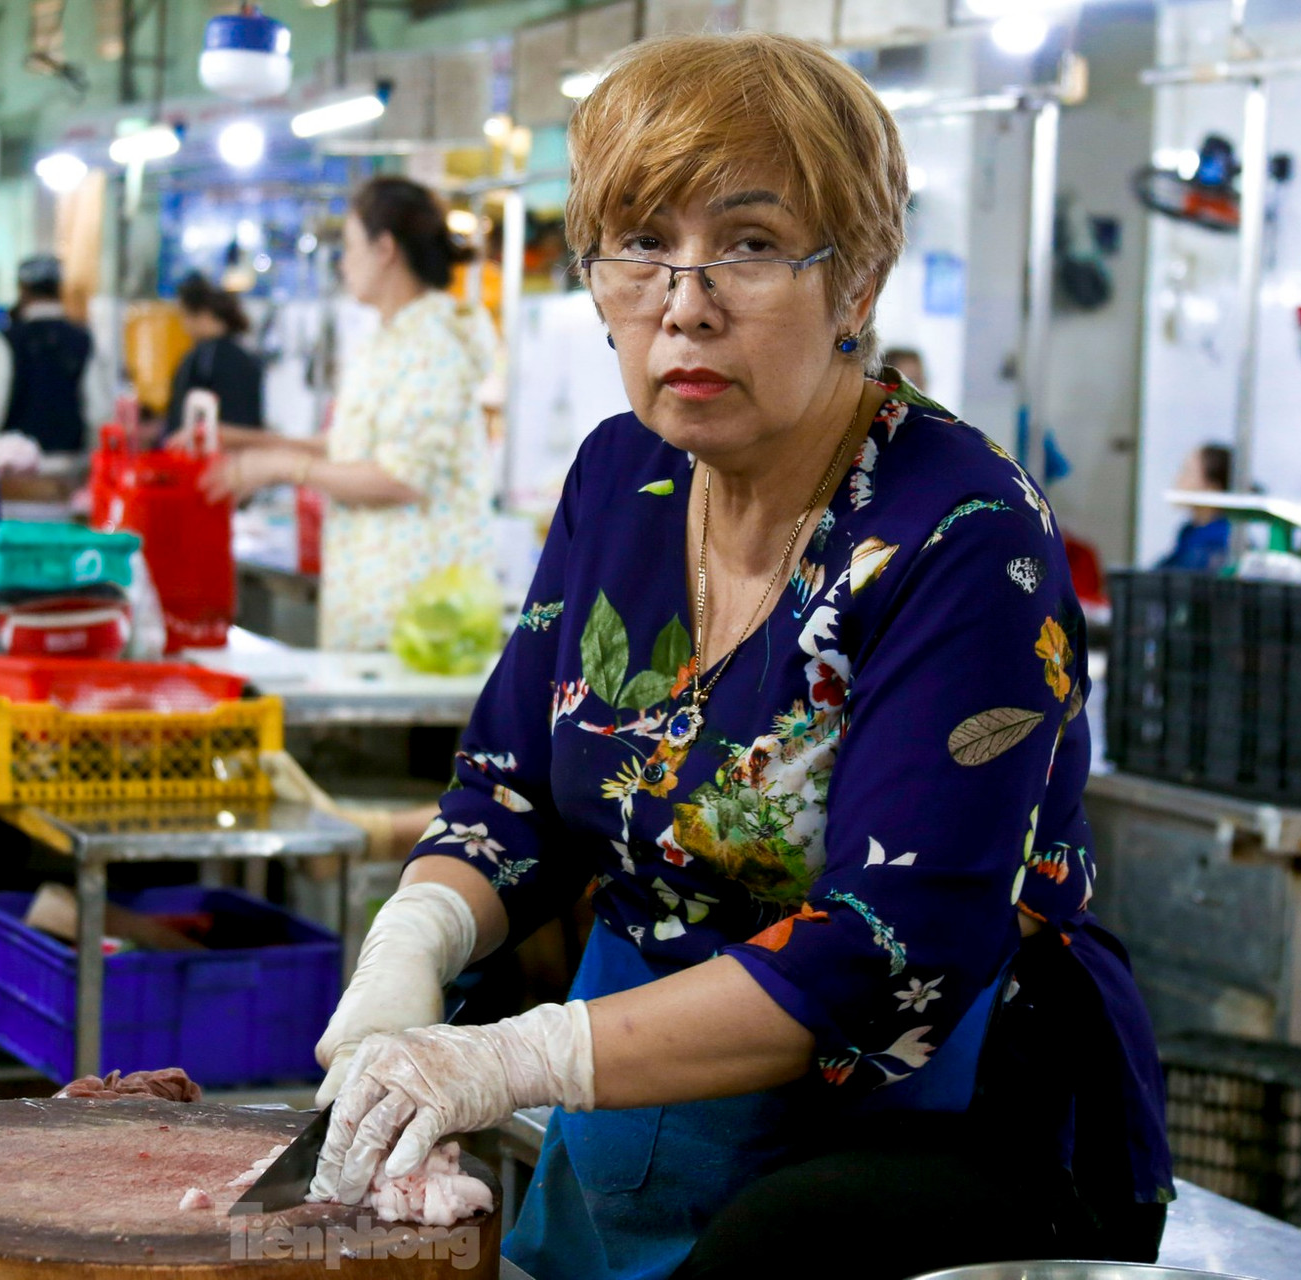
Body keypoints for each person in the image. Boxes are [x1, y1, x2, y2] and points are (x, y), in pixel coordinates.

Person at [305, 32, 1172, 1280]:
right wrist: (411, 953)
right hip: (630, 1113)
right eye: (642, 244)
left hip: (900, 1145)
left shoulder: (963, 534)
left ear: (859, 276)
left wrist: (511, 1056)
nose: (684, 300)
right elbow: (510, 793)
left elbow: (888, 942)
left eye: (751, 244)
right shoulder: (624, 476)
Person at [204, 176, 496, 652]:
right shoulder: (387, 338)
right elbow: (351, 448)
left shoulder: (431, 343)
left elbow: (401, 476)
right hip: (376, 601)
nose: (343, 263)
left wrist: (281, 467)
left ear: (385, 249)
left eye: (351, 246)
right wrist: (243, 441)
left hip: (420, 617)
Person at [0, 254, 106, 455]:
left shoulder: (7, 341)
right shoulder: (82, 341)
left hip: (14, 473)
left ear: (22, 289)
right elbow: (99, 413)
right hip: (69, 469)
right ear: (59, 288)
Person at [165, 272, 265, 441]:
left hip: (215, 454)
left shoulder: (209, 358)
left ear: (204, 315)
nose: (183, 326)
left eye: (184, 316)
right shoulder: (243, 356)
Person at [1157, 442, 1235, 572]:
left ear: (1212, 488)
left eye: (1187, 472)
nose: (1178, 480)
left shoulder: (1220, 542)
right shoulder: (1189, 531)